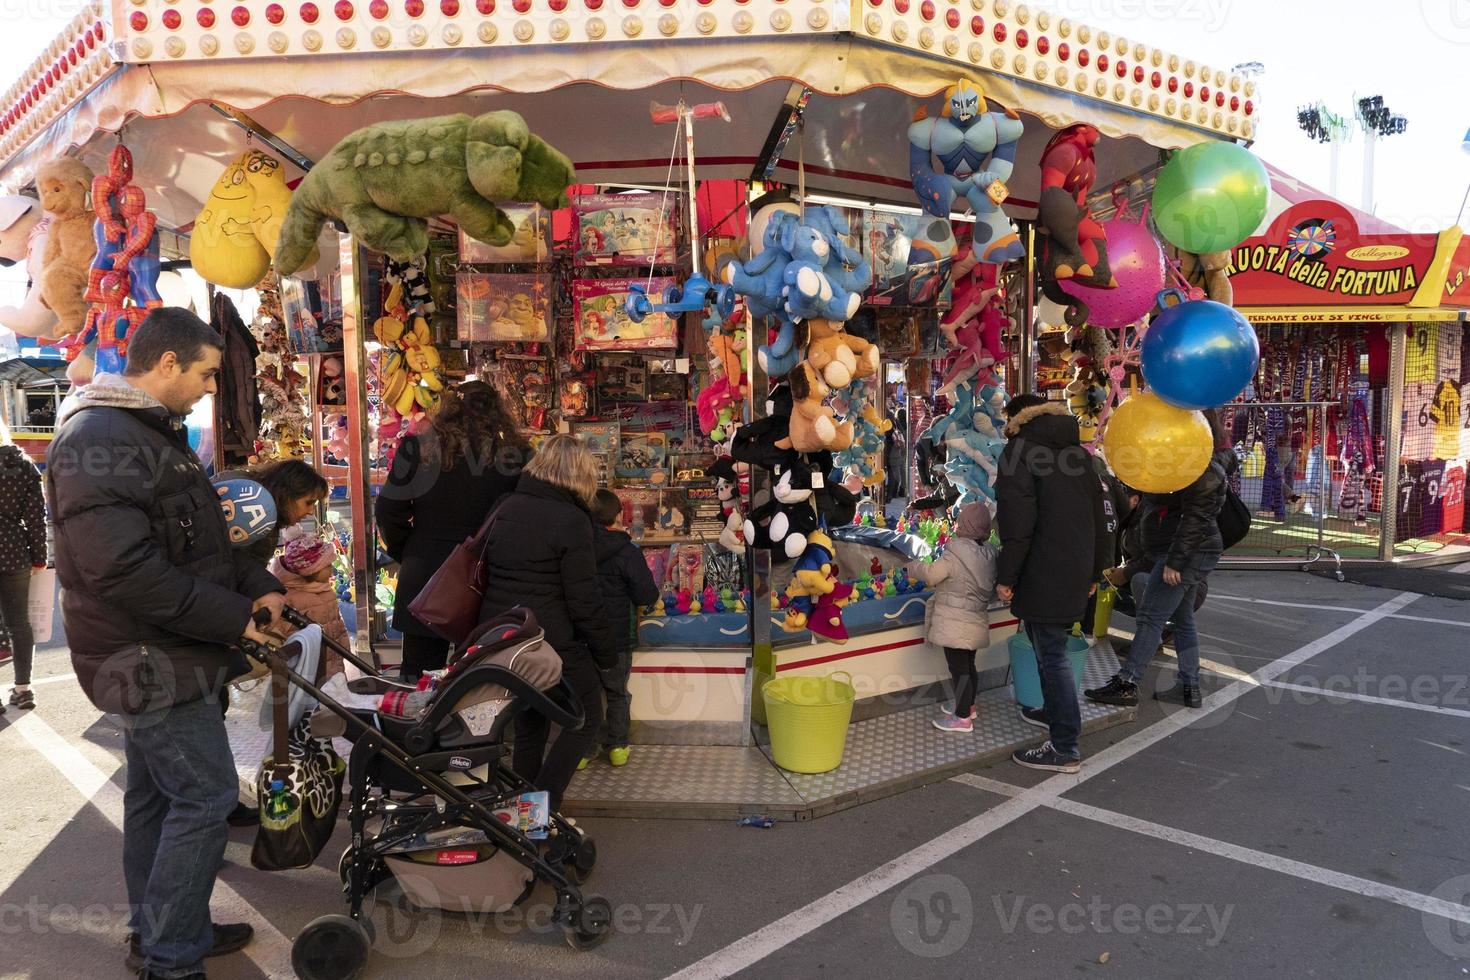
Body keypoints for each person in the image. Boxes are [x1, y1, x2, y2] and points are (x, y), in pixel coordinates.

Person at [46, 308, 286, 979]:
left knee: (159, 799)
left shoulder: (145, 434)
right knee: (206, 798)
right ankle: (170, 958)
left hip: (169, 653)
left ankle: (165, 934)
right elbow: (124, 572)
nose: (216, 387)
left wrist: (258, 587)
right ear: (169, 363)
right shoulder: (102, 438)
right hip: (149, 659)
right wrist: (234, 619)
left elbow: (201, 543)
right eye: (210, 373)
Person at [478, 433, 614, 811]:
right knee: (586, 716)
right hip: (549, 638)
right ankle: (541, 806)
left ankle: (523, 805)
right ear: (580, 474)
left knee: (530, 722)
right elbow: (583, 598)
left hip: (504, 633)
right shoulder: (571, 520)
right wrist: (606, 653)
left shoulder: (505, 504)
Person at [376, 382, 528, 679]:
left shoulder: (415, 448)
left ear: (447, 410)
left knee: (419, 678)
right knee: (481, 672)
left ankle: (418, 726)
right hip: (486, 572)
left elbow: (387, 511)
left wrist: (407, 550)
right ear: (497, 411)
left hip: (426, 570)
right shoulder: (517, 455)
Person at [993, 394, 1111, 773]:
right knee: (1048, 646)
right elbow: (1100, 516)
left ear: (1016, 419)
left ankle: (1065, 745)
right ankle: (1053, 714)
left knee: (1053, 652)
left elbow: (1017, 520)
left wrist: (1006, 575)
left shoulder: (1019, 451)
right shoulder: (1078, 453)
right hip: (1075, 565)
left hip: (1042, 566)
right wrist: (1095, 571)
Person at [1086, 409, 1235, 710]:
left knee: (1151, 617)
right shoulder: (1191, 463)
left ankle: (1128, 681)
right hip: (1182, 551)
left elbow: (1194, 520)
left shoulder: (1202, 469)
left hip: (1184, 554)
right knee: (1182, 620)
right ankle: (1188, 686)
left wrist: (1175, 562)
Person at [583, 489, 659, 768]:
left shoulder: (576, 548)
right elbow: (646, 594)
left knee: (586, 695)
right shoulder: (627, 551)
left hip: (582, 636)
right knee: (616, 694)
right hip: (617, 638)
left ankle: (583, 750)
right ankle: (616, 747)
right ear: (618, 515)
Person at [906, 502, 997, 733]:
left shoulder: (954, 553)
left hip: (954, 621)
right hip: (975, 618)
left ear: (963, 524)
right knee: (968, 665)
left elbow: (932, 575)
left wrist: (912, 567)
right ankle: (969, 706)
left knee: (959, 670)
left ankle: (962, 718)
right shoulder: (988, 554)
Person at [0, 419, 46, 712]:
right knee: (19, 622)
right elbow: (35, 517)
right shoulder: (24, 466)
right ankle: (23, 689)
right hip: (15, 551)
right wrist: (39, 557)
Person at [267, 527, 349, 679]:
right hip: (305, 672)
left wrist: (344, 652)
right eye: (327, 566)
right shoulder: (287, 598)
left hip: (335, 666)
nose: (332, 571)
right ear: (311, 569)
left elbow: (338, 625)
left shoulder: (326, 591)